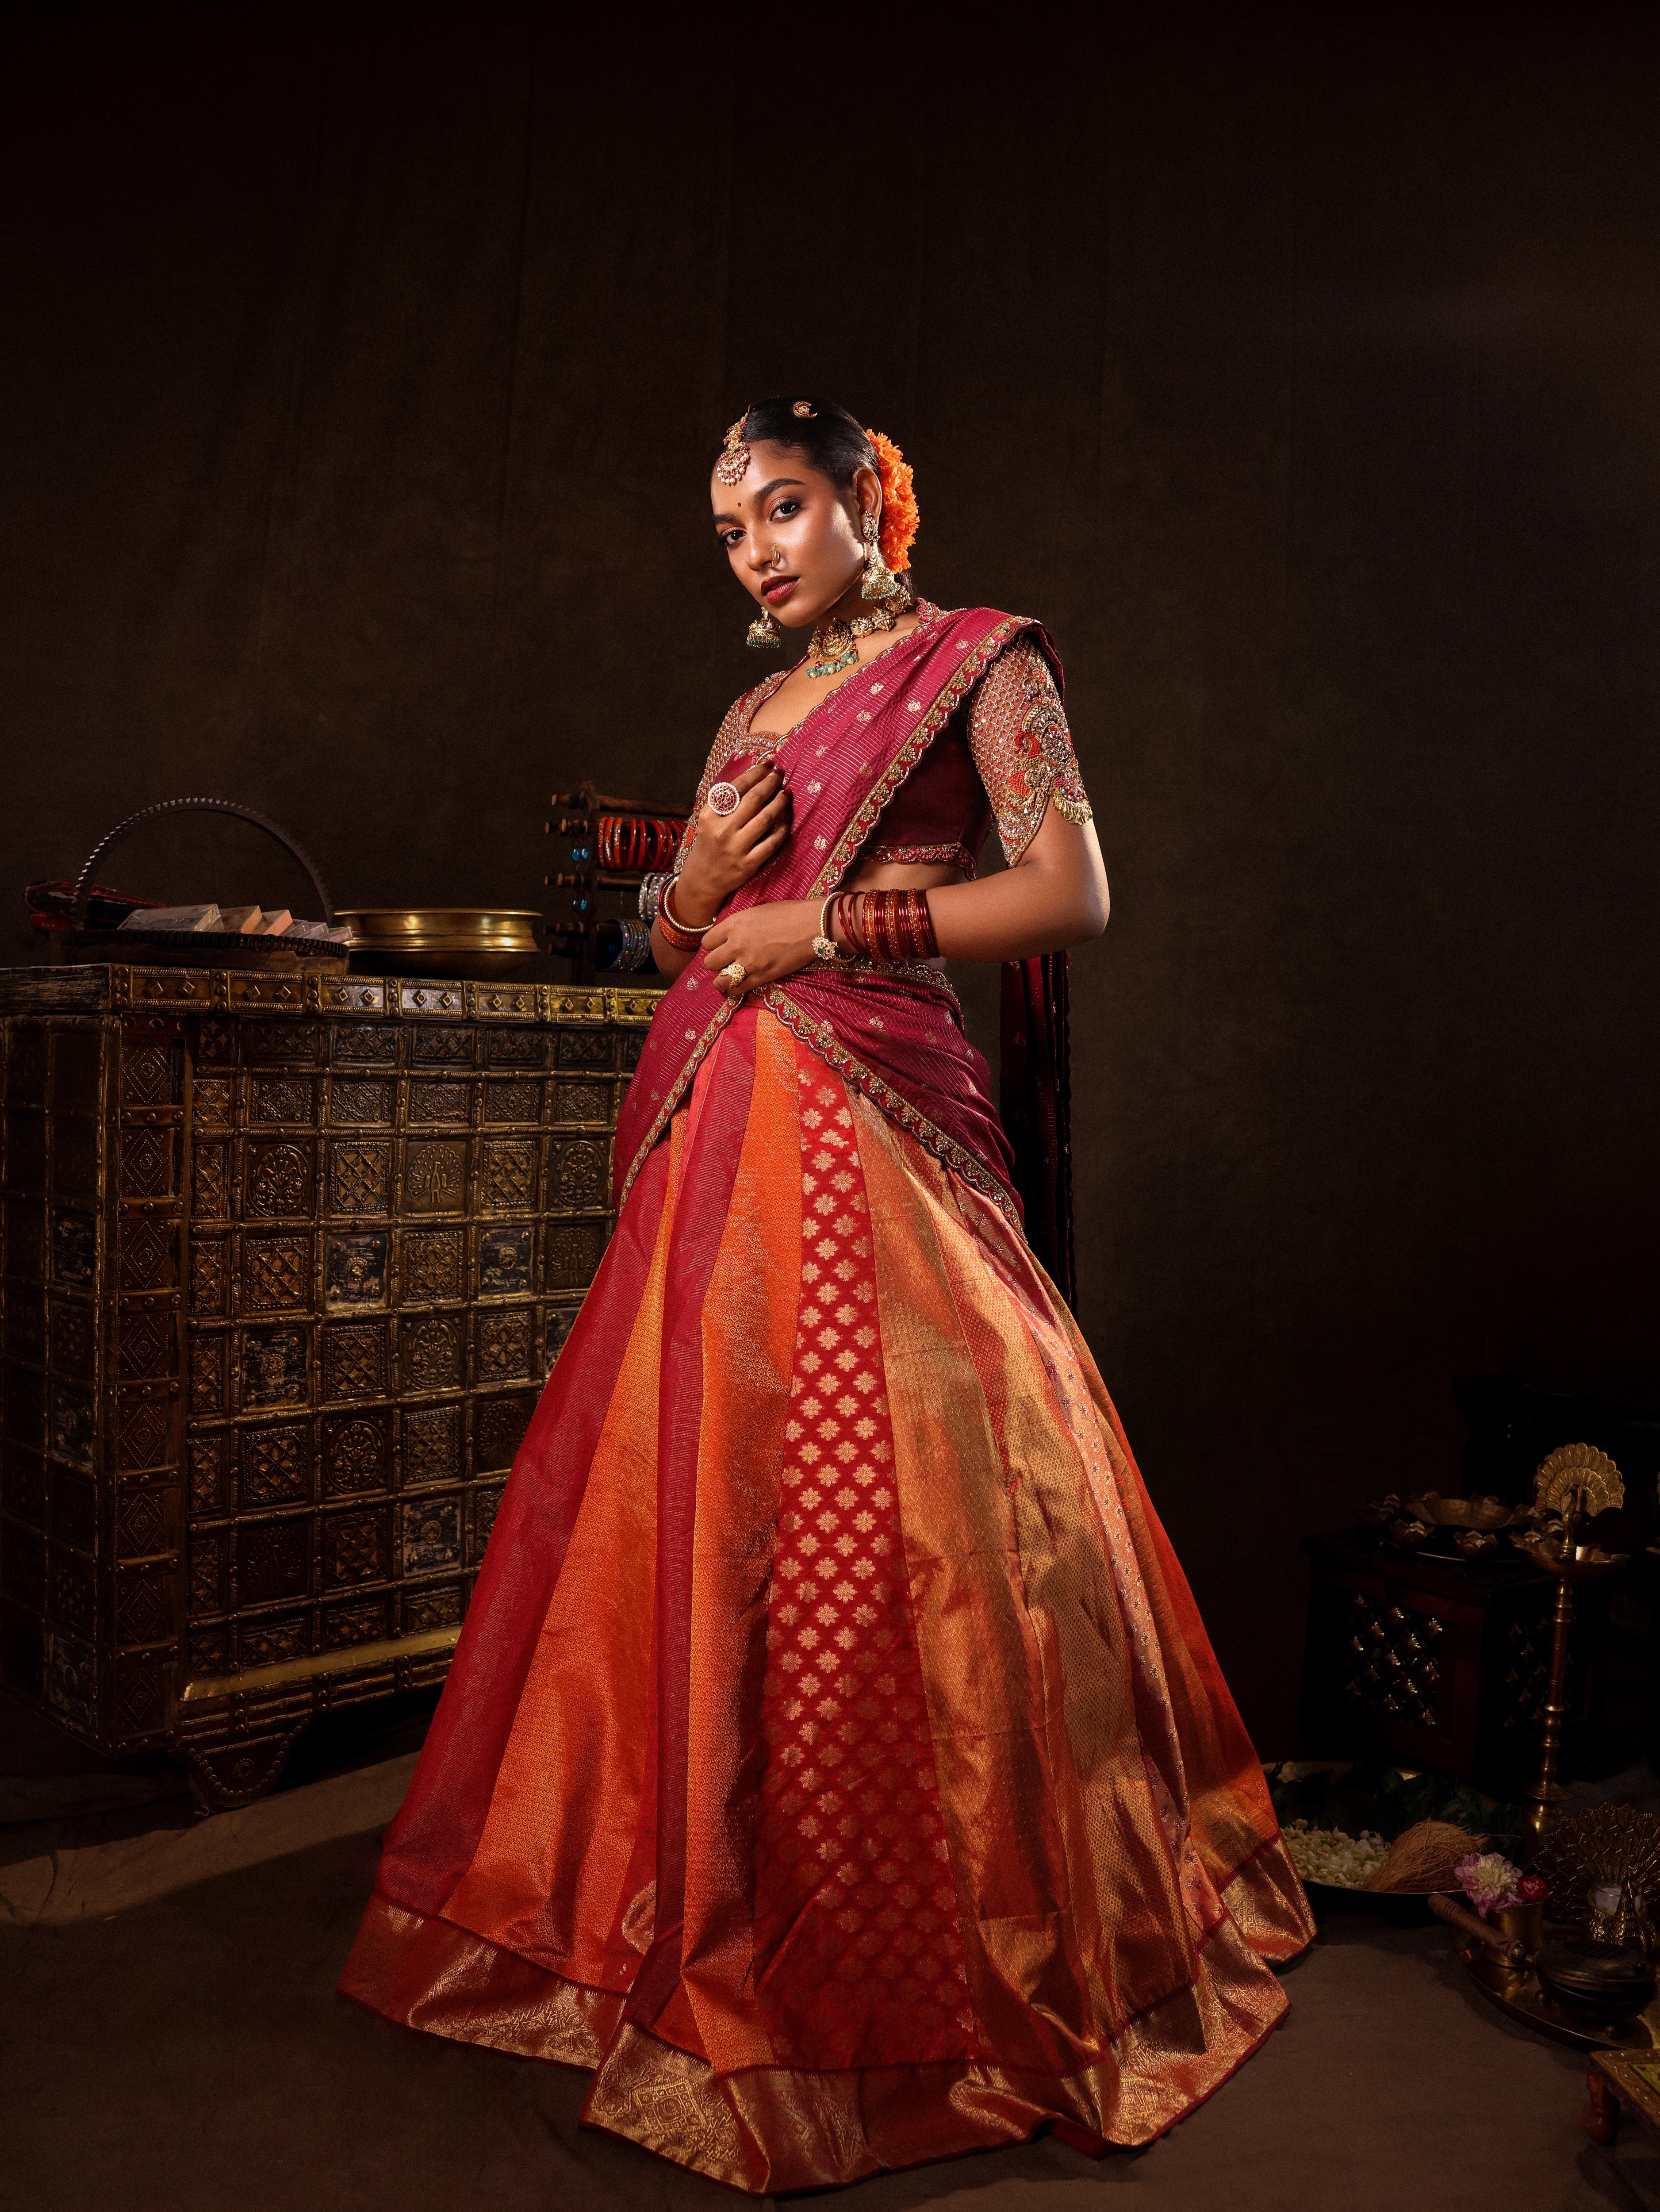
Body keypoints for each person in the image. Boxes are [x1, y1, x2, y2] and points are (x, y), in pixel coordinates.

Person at [339, 396, 1312, 2191]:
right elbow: (691, 929)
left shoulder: (978, 664)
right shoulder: (749, 708)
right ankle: (700, 1911)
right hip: (724, 1142)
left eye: (784, 505)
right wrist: (688, 898)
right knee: (702, 1524)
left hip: (880, 1137)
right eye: (729, 529)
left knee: (927, 1546)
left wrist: (828, 930)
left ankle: (925, 1960)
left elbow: (1072, 893)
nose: (759, 548)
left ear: (868, 494)